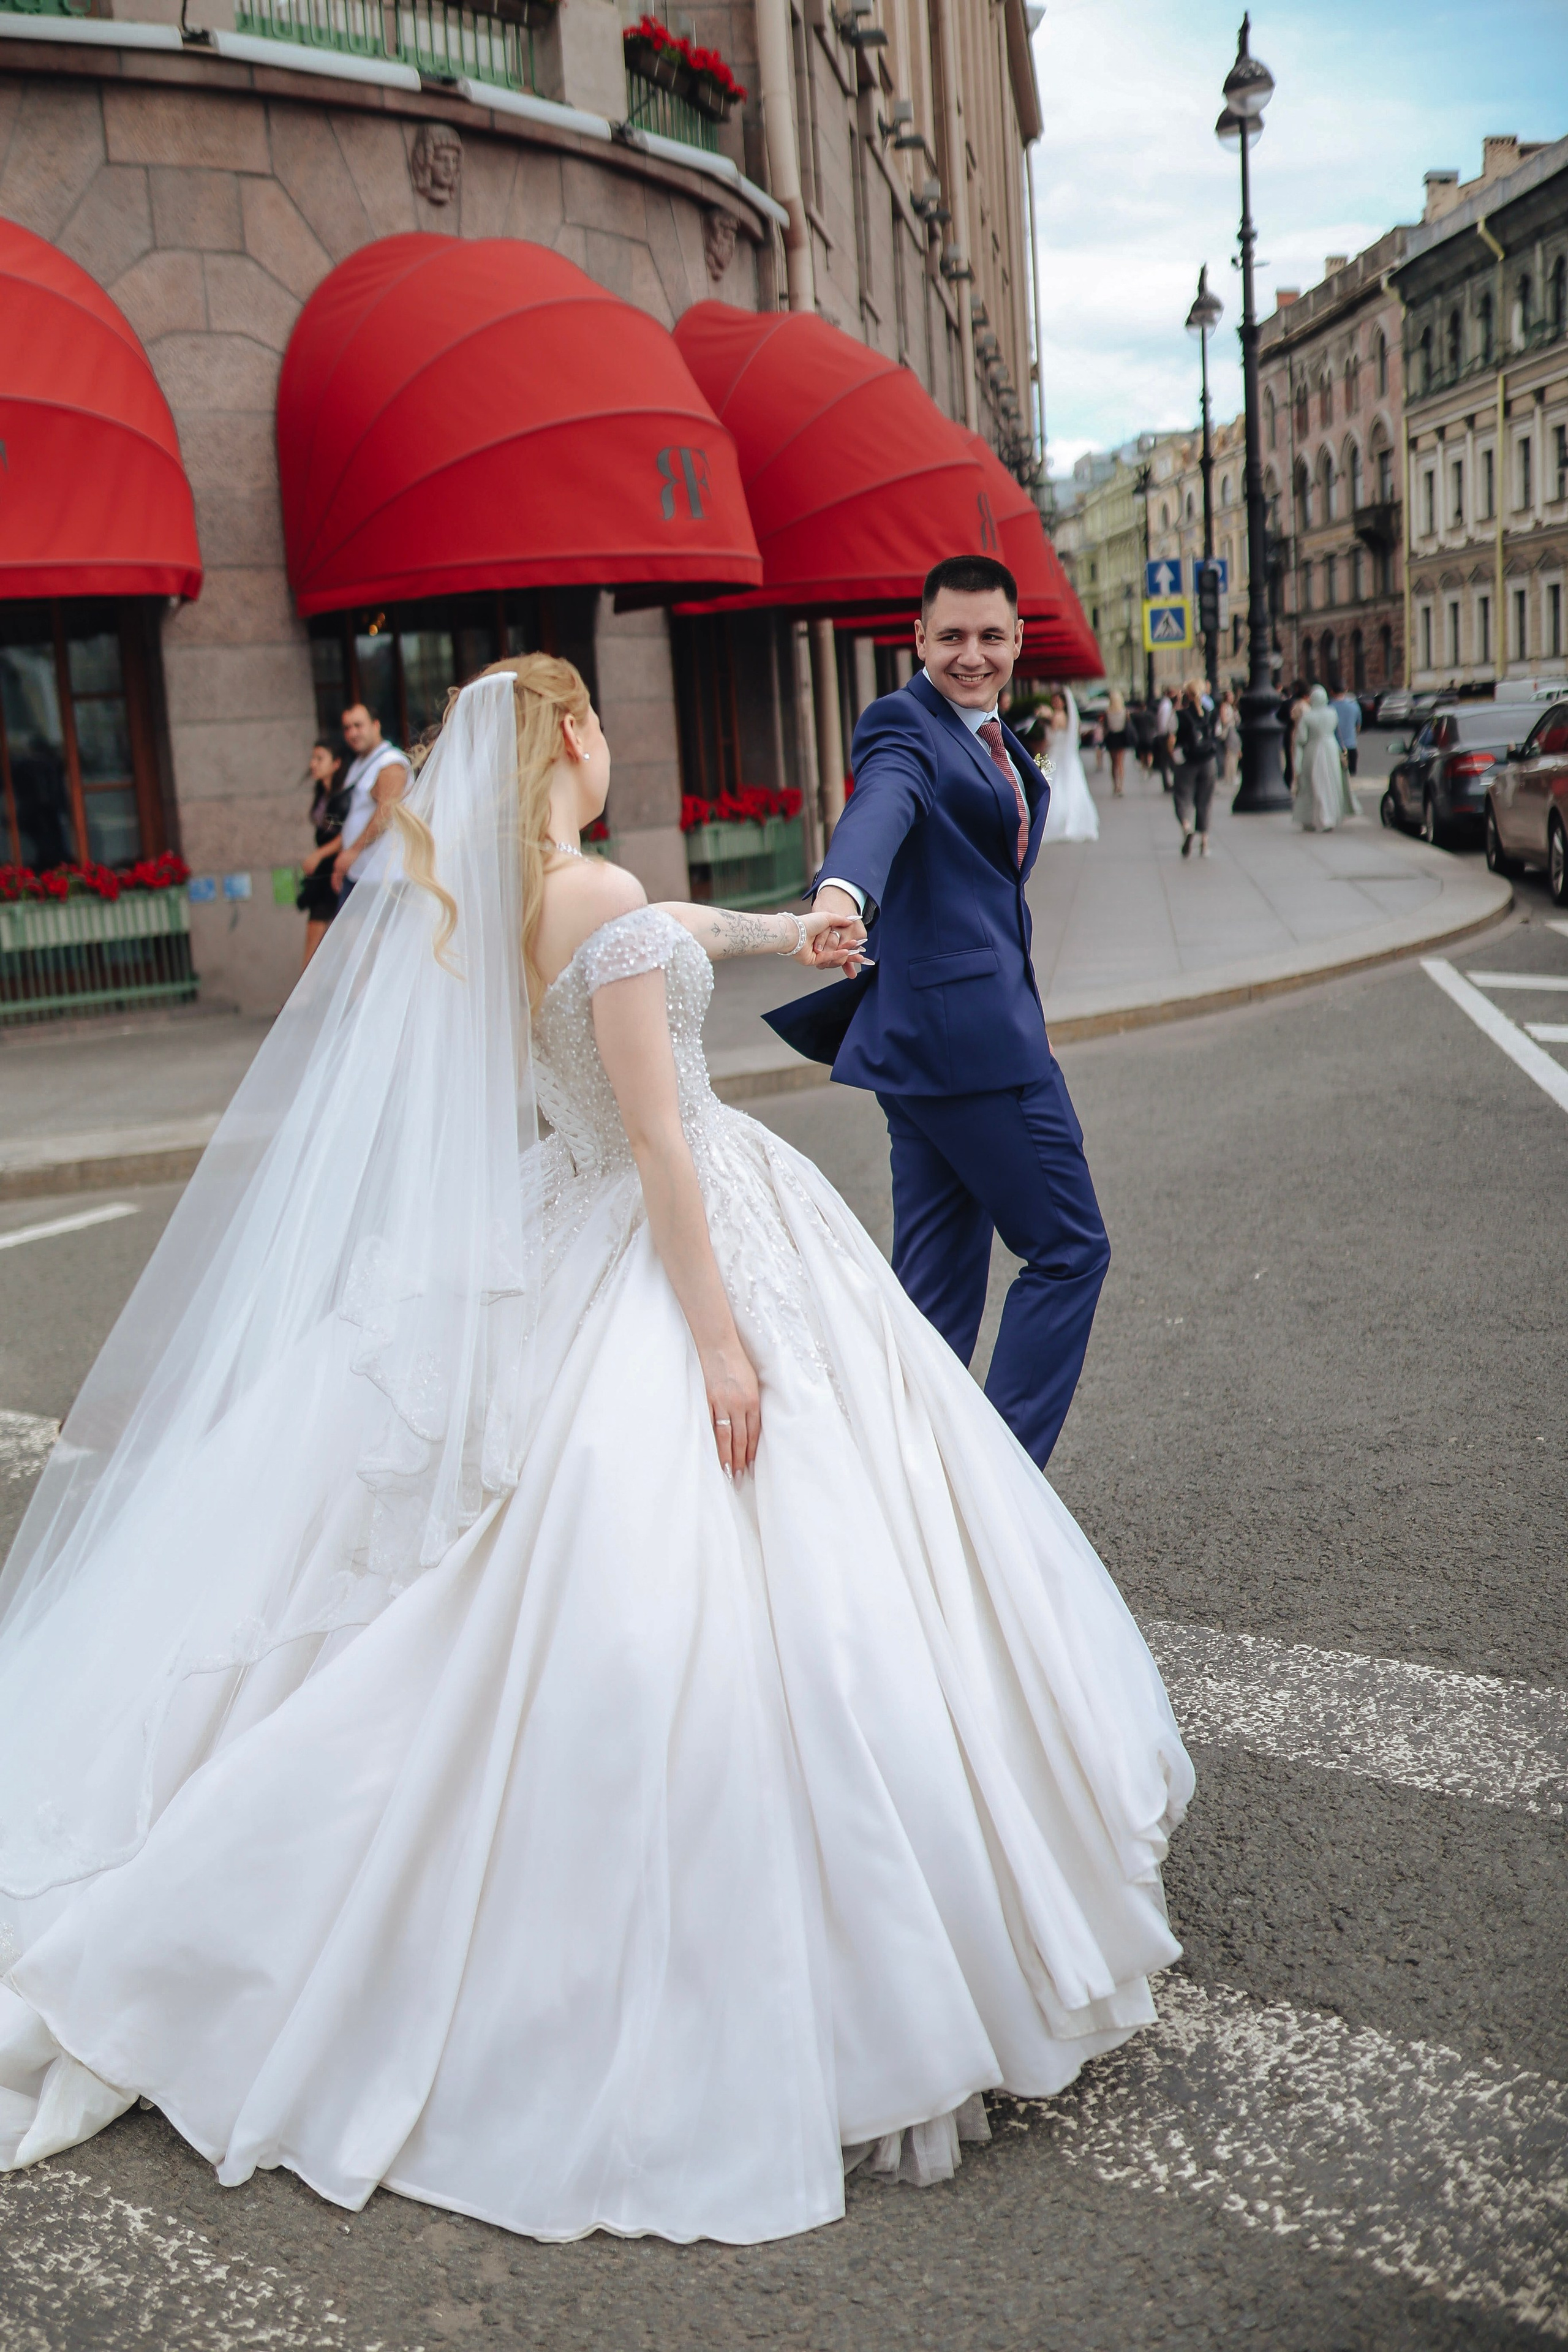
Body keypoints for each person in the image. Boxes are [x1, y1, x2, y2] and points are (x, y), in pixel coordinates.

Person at [0, 655, 1192, 2247]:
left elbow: (670, 947)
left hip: (571, 1227)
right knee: (744, 1573)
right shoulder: (605, 894)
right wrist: (715, 1336)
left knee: (478, 1588)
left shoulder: (504, 912)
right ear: (571, 735)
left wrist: (790, 926)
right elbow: (653, 1138)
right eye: (597, 720)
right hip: (674, 1235)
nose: (610, 737)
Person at [766, 554, 1112, 1471]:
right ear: (917, 639)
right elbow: (884, 803)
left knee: (933, 1296)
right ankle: (1000, 1492)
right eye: (951, 636)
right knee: (1071, 1253)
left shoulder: (990, 729)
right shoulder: (903, 727)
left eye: (990, 637)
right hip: (976, 1052)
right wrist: (841, 896)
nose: (971, 655)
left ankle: (896, 1493)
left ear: (1017, 642)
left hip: (922, 1048)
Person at [333, 703, 410, 900]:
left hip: (385, 874)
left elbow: (386, 813)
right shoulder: (359, 763)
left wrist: (352, 852)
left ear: (376, 725)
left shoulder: (390, 762)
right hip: (361, 872)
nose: (353, 733)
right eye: (347, 728)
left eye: (359, 726)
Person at [295, 737, 351, 968]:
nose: (313, 764)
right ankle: (305, 995)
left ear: (336, 764)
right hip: (325, 873)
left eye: (320, 759)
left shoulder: (344, 795)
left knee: (341, 936)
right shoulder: (322, 793)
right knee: (317, 934)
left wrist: (319, 855)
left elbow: (349, 834)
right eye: (313, 758)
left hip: (339, 870)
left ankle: (305, 997)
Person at [1040, 685, 1100, 843]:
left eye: (1057, 701)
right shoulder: (1069, 717)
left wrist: (1045, 718)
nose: (1055, 703)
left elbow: (1051, 736)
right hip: (1066, 756)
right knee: (1070, 786)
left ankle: (1058, 822)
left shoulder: (1057, 716)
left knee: (1054, 786)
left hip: (1056, 755)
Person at [1292, 682, 1352, 830]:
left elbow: (1301, 740)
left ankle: (1314, 819)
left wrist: (1297, 764)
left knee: (1314, 785)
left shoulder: (1308, 716)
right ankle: (1331, 817)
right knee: (1332, 784)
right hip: (1331, 748)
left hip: (1313, 750)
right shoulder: (1332, 713)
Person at [1173, 680, 1218, 858]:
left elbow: (1170, 733)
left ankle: (1187, 827)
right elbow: (1218, 732)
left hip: (1187, 760)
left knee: (1182, 796)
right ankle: (1205, 843)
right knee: (1205, 800)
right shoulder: (1210, 712)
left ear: (1187, 695)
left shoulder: (1180, 715)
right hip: (1208, 760)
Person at [1331, 680, 1362, 780]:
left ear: (1331, 692)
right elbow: (1358, 726)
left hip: (1334, 747)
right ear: (1346, 690)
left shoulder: (1329, 708)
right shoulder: (1354, 706)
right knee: (1351, 777)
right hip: (1351, 746)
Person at [1103, 688, 1131, 795]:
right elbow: (1127, 725)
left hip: (1111, 737)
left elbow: (1105, 728)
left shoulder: (1107, 712)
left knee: (1113, 763)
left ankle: (1115, 785)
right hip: (1121, 737)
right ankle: (1121, 785)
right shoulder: (1124, 712)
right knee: (1120, 763)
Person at [1153, 687, 1176, 791]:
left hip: (1165, 735)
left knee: (1167, 761)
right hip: (1165, 735)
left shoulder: (1166, 705)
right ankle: (1168, 783)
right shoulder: (1166, 705)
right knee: (1168, 760)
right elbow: (1163, 723)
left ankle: (1169, 782)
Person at [1216, 692, 1240, 788]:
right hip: (1228, 731)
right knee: (1230, 753)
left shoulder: (1232, 707)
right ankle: (1229, 775)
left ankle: (1233, 774)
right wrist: (1231, 717)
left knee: (1234, 753)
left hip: (1233, 730)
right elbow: (1224, 720)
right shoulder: (1224, 706)